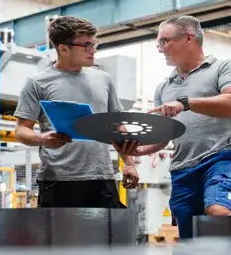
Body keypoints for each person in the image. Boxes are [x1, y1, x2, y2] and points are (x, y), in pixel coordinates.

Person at [114, 15, 231, 239]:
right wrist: (136, 151)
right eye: (158, 43)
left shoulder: (224, 68)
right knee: (189, 238)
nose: (160, 49)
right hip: (182, 169)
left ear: (189, 38)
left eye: (164, 41)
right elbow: (165, 136)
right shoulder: (164, 88)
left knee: (218, 211)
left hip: (221, 158)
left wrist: (186, 103)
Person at [13, 16, 139, 208]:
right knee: (60, 237)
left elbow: (117, 125)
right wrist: (42, 139)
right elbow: (21, 130)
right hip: (57, 179)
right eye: (87, 45)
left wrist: (129, 163)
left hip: (101, 177)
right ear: (63, 49)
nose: (93, 50)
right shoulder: (37, 82)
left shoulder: (104, 80)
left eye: (94, 43)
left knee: (107, 236)